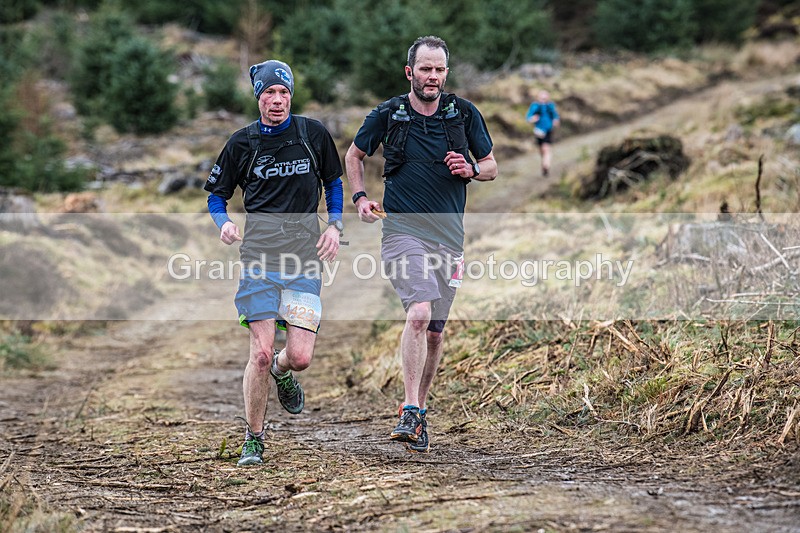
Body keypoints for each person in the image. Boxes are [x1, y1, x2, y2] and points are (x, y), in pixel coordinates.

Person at [345, 36, 497, 453]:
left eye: (440, 70)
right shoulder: (388, 115)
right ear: (409, 72)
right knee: (419, 312)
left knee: (434, 332)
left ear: (446, 73)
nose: (433, 77)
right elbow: (354, 156)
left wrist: (469, 168)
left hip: (449, 238)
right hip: (401, 232)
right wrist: (359, 198)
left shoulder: (463, 114)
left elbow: (491, 166)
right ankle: (409, 408)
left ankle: (420, 415)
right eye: (425, 69)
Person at [204, 59, 344, 466]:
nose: (277, 100)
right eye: (269, 93)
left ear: (291, 95)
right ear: (258, 98)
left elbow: (333, 182)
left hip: (304, 258)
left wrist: (334, 227)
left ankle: (284, 374)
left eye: (283, 92)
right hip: (258, 260)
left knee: (297, 357)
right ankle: (254, 438)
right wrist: (224, 223)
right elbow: (217, 195)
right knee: (261, 353)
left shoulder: (312, 134)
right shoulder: (241, 143)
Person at [526, 90, 560, 177]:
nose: (543, 99)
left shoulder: (550, 106)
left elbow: (555, 116)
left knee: (546, 148)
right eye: (542, 98)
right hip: (538, 131)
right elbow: (528, 117)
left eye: (545, 98)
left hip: (548, 130)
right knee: (542, 150)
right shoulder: (535, 106)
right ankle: (544, 163)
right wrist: (533, 118)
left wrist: (555, 121)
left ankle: (546, 166)